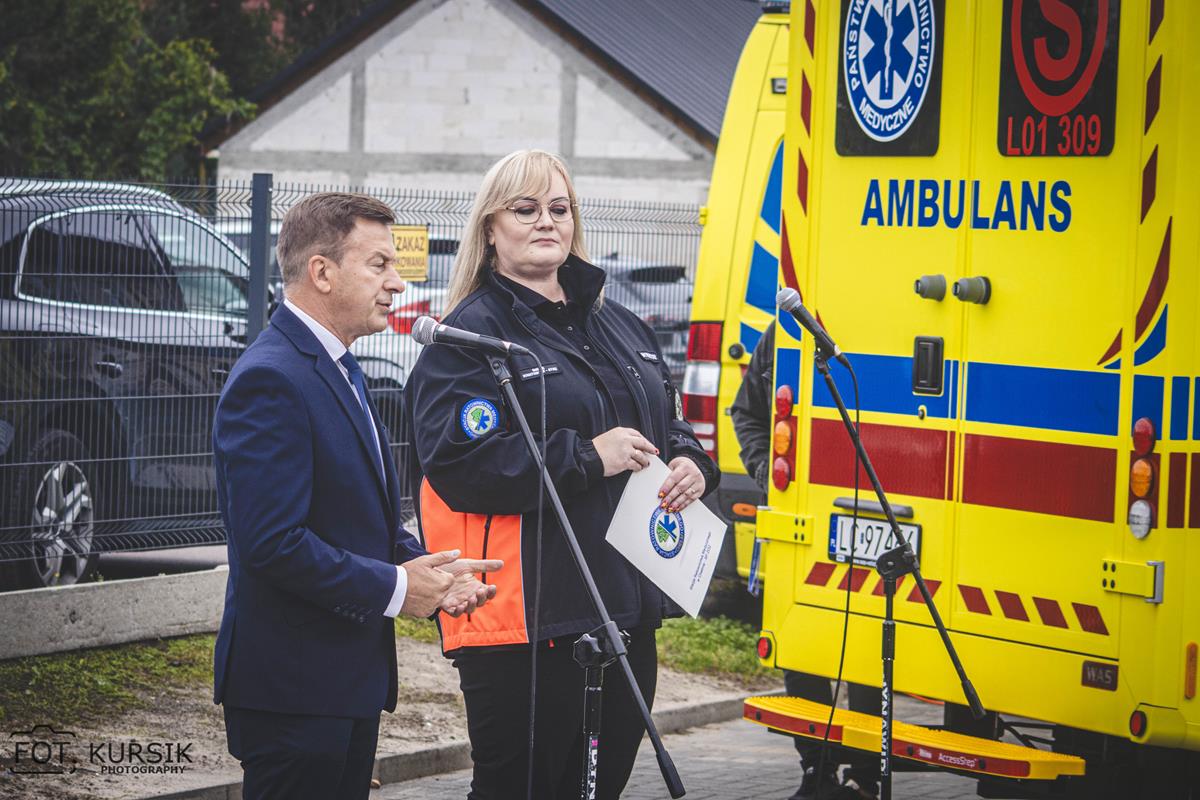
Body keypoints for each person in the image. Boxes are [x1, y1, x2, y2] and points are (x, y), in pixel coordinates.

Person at [405, 149, 719, 800]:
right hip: (527, 619)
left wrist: (694, 462)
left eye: (559, 207)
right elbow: (461, 465)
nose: (546, 221)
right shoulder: (468, 338)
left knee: (600, 788)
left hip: (626, 605)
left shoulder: (620, 324)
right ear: (491, 228)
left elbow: (669, 420)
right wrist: (587, 456)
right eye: (526, 209)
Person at [211, 192, 502, 800]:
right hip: (294, 692)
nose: (397, 283)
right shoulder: (271, 377)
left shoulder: (339, 364)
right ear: (322, 272)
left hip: (344, 683)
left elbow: (356, 519)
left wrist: (431, 573)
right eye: (379, 265)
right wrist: (397, 588)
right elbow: (272, 543)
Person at [730, 320, 881, 800]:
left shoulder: (881, 324)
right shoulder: (785, 333)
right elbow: (746, 412)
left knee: (867, 649)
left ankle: (865, 776)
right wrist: (768, 472)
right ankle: (817, 770)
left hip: (877, 512)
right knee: (799, 646)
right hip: (802, 518)